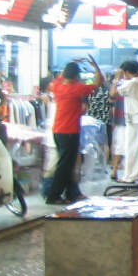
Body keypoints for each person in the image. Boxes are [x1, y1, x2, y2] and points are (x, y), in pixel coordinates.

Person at [44, 56, 102, 205]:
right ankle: (53, 195)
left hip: (58, 131)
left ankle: (72, 192)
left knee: (67, 164)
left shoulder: (57, 86)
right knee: (65, 166)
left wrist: (72, 63)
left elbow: (61, 76)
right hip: (70, 132)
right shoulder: (76, 88)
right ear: (77, 76)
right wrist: (95, 66)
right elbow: (99, 82)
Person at [114, 60, 138, 183]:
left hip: (136, 118)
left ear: (126, 71)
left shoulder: (131, 83)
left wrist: (116, 79)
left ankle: (130, 176)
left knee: (132, 147)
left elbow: (113, 93)